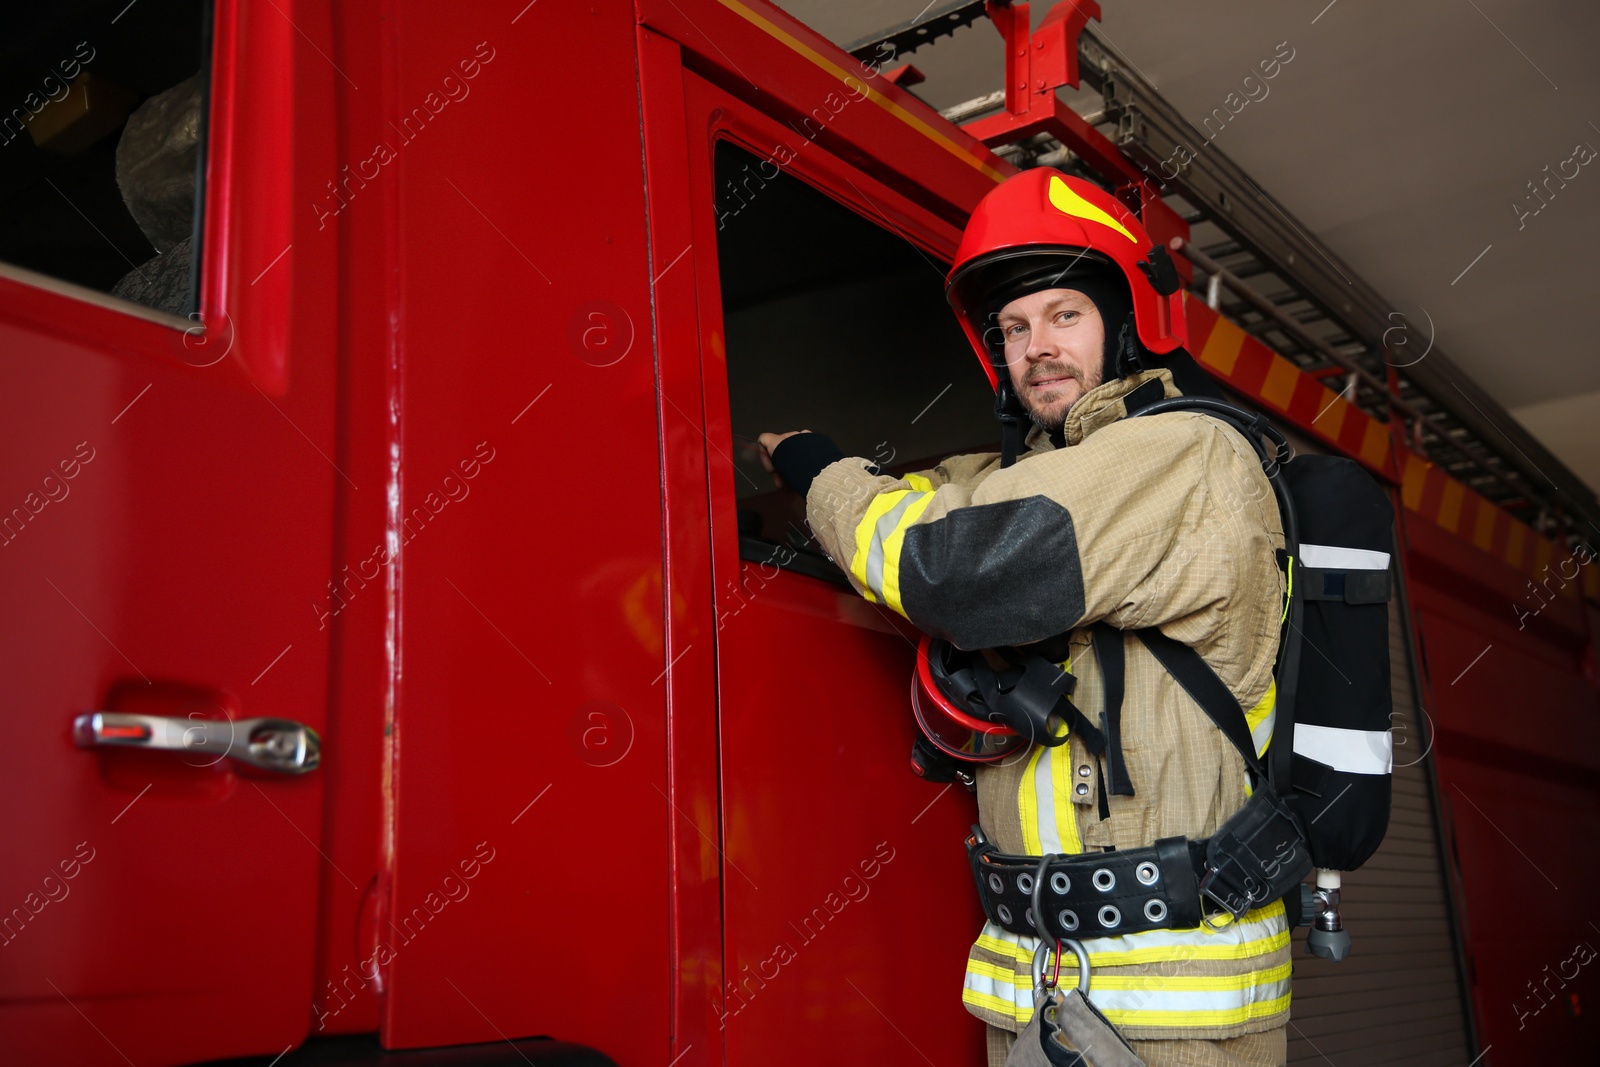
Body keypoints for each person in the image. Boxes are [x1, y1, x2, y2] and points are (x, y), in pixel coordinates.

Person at [757, 169, 1290, 1067]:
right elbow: (947, 500)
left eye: (1063, 314)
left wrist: (821, 473)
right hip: (1039, 992)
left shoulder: (1184, 453)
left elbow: (945, 562)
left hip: (1174, 1017)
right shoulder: (1029, 475)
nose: (1036, 345)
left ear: (1122, 325)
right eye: (1013, 327)